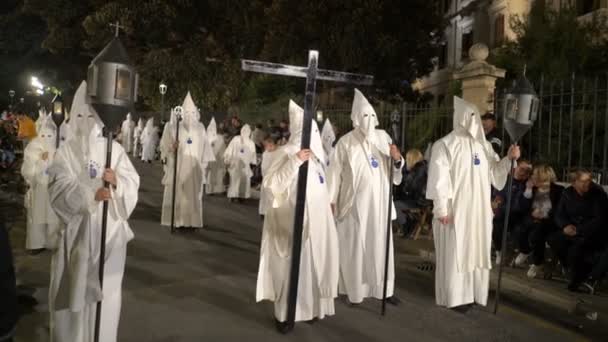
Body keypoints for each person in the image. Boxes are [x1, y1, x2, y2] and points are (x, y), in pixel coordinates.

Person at [47, 81, 140, 342]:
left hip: (109, 234)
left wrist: (117, 182)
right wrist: (90, 195)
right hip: (77, 234)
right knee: (74, 297)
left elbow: (132, 180)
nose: (86, 121)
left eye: (91, 115)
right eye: (79, 115)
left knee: (107, 296)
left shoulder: (115, 149)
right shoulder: (65, 152)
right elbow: (58, 188)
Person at [426, 96, 519, 312]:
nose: (476, 121)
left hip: (478, 211)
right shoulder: (445, 145)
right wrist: (441, 208)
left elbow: (495, 174)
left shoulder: (484, 146)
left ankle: (473, 293)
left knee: (476, 250)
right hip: (455, 210)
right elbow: (440, 181)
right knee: (456, 252)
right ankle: (456, 296)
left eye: (476, 117)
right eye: (471, 117)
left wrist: (508, 159)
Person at [256, 100, 338, 333]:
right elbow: (271, 185)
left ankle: (309, 309)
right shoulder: (285, 153)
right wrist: (295, 161)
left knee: (312, 268)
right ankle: (285, 315)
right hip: (292, 223)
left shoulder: (316, 159)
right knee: (290, 269)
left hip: (317, 225)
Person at [327, 89, 403, 305]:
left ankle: (384, 290)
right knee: (356, 248)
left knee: (381, 247)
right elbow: (335, 173)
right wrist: (331, 200)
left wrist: (397, 159)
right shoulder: (345, 142)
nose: (369, 121)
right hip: (354, 206)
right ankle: (355, 290)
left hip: (379, 204)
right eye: (364, 116)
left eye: (372, 116)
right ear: (356, 119)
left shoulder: (383, 137)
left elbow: (395, 164)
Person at [160, 92, 215, 230]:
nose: (189, 115)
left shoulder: (200, 128)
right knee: (179, 195)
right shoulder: (174, 128)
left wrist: (203, 166)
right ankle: (179, 221)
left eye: (192, 112)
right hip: (179, 166)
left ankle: (192, 222)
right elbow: (165, 147)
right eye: (187, 112)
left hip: (194, 169)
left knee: (193, 197)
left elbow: (205, 148)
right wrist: (172, 147)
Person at [548, 169, 608, 291]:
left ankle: (580, 279)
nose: (588, 183)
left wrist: (579, 230)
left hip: (590, 232)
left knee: (577, 248)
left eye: (589, 180)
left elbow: (599, 219)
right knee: (554, 239)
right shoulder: (567, 193)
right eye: (583, 181)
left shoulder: (598, 194)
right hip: (571, 228)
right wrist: (565, 226)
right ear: (574, 182)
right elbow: (559, 214)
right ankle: (569, 268)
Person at [21, 116, 67, 253]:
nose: (46, 138)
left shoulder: (60, 147)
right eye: (43, 135)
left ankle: (53, 241)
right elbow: (27, 169)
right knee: (37, 216)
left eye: (49, 135)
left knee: (53, 215)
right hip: (39, 188)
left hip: (54, 187)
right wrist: (40, 161)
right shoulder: (33, 147)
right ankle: (37, 243)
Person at [513, 165, 564, 278]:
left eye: (535, 175)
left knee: (536, 235)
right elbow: (521, 207)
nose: (532, 177)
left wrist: (545, 214)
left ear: (543, 177)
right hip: (532, 218)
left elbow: (560, 210)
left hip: (549, 221)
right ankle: (524, 251)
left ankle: (537, 263)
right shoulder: (532, 188)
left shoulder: (559, 191)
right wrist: (528, 190)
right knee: (519, 228)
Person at [491, 160, 533, 265]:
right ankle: (499, 252)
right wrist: (494, 202)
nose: (523, 172)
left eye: (527, 171)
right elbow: (497, 197)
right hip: (504, 213)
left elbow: (524, 205)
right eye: (521, 168)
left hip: (520, 215)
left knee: (520, 229)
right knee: (497, 222)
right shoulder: (504, 179)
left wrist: (529, 189)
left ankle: (525, 251)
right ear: (516, 167)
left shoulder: (528, 185)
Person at [394, 149, 428, 238]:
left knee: (395, 205)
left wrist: (405, 174)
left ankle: (407, 226)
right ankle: (409, 222)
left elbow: (410, 187)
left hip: (420, 201)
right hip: (422, 199)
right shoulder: (423, 167)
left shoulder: (418, 170)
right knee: (398, 201)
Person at [224, 124, 257, 202]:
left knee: (242, 180)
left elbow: (252, 154)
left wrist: (252, 162)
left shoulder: (250, 142)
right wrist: (227, 159)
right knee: (235, 180)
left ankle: (241, 196)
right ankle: (233, 195)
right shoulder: (236, 139)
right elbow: (230, 150)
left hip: (244, 165)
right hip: (235, 163)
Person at [204, 117, 227, 195]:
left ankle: (217, 189)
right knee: (212, 174)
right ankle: (211, 190)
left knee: (218, 174)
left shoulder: (219, 138)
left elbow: (222, 148)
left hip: (217, 158)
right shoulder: (207, 138)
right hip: (211, 158)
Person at [258, 136, 279, 219]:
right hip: (265, 178)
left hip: (273, 179)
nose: (266, 147)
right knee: (264, 196)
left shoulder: (278, 153)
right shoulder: (265, 153)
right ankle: (263, 212)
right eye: (265, 145)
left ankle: (269, 212)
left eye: (267, 145)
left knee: (271, 196)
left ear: (271, 144)